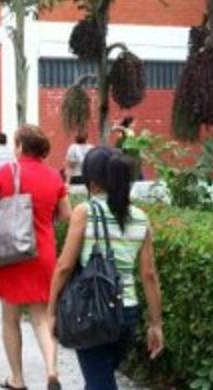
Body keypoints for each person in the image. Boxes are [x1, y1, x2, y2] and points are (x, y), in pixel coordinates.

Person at [48, 146, 164, 390]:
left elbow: (64, 266)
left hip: (92, 310)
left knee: (100, 382)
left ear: (91, 181)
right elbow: (149, 275)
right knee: (99, 378)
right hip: (127, 314)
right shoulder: (140, 217)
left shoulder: (86, 211)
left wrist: (51, 312)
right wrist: (156, 325)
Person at [0, 125, 71, 390]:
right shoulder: (54, 176)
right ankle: (51, 370)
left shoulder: (8, 171)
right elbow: (66, 215)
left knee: (10, 319)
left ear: (20, 146)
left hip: (11, 253)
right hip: (43, 253)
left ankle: (17, 379)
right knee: (41, 318)